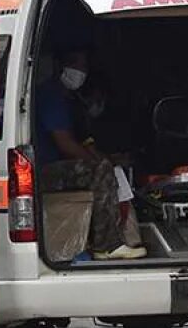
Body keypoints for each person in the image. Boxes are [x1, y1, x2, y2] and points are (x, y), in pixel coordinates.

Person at [36, 49, 146, 260]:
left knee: (108, 167)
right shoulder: (51, 97)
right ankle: (107, 245)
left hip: (59, 167)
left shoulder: (69, 100)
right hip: (44, 170)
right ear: (61, 66)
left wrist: (107, 159)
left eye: (84, 67)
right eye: (77, 65)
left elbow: (84, 142)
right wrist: (97, 162)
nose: (81, 71)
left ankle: (126, 236)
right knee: (101, 170)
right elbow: (65, 143)